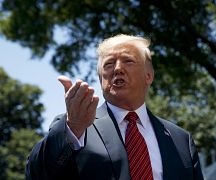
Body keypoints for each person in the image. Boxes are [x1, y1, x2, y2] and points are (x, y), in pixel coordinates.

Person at [26, 34, 204, 180]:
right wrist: (73, 127)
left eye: (128, 61)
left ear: (148, 76)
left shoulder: (181, 140)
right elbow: (37, 174)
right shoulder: (74, 127)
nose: (118, 69)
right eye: (109, 64)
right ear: (100, 78)